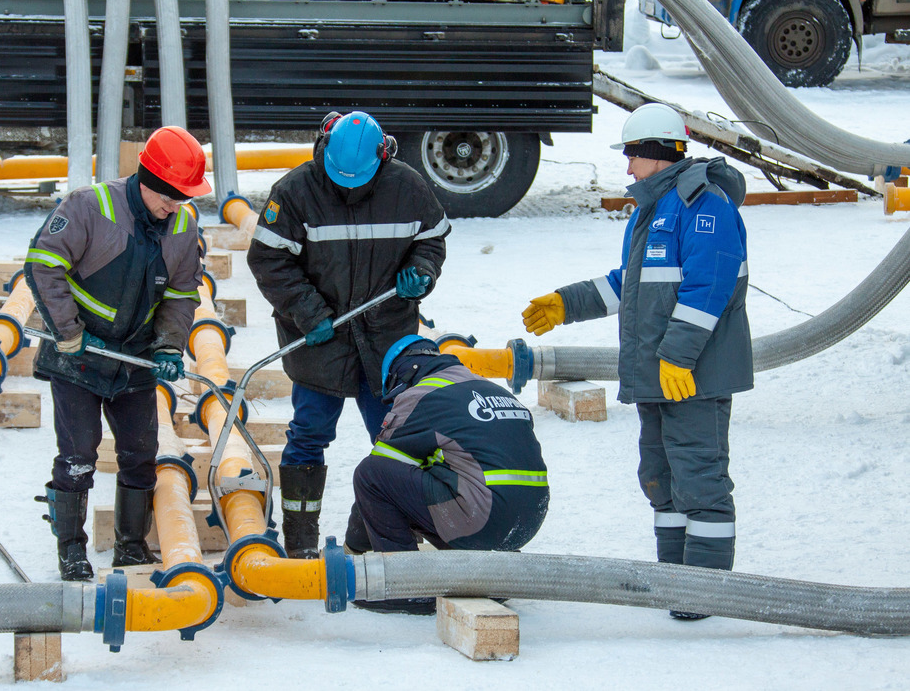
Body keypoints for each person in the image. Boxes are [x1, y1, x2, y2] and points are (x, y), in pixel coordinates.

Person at [522, 103, 751, 619]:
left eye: (632, 156)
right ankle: (675, 579)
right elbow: (629, 283)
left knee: (700, 478)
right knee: (660, 475)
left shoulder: (705, 207)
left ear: (655, 154)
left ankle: (704, 591)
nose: (627, 168)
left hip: (695, 375)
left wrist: (677, 356)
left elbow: (708, 288)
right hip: (659, 376)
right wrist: (566, 302)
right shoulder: (656, 208)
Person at [247, 110, 450, 559]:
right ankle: (300, 546)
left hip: (387, 343)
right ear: (324, 153)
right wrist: (307, 311)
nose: (350, 189)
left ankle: (376, 540)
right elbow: (268, 260)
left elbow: (432, 240)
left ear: (383, 155)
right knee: (308, 436)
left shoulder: (408, 187)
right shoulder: (294, 193)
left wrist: (421, 270)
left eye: (359, 180)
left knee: (396, 442)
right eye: (340, 180)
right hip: (323, 342)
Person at [24, 126, 209, 581]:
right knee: (78, 456)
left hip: (134, 358)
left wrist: (168, 345)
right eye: (168, 196)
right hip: (78, 355)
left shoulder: (183, 225)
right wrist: (67, 332)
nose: (174, 206)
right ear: (146, 178)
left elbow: (182, 294)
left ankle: (130, 546)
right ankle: (71, 550)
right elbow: (43, 265)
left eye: (183, 198)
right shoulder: (91, 207)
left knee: (141, 453)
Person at [345, 336, 550, 615]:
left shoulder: (422, 395)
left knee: (370, 473)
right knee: (443, 466)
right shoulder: (490, 388)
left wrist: (354, 546)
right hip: (527, 522)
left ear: (403, 373)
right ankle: (492, 574)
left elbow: (379, 475)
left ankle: (403, 587)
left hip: (483, 518)